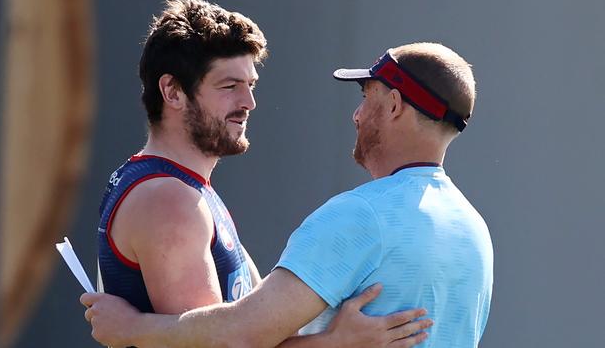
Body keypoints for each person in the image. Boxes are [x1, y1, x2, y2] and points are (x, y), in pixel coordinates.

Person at [82, 41, 492, 348]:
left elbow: (241, 332)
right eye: (230, 85)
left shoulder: (360, 215)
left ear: (396, 106)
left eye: (366, 97)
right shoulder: (475, 230)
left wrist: (132, 327)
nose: (356, 114)